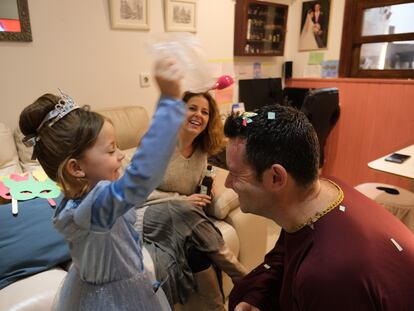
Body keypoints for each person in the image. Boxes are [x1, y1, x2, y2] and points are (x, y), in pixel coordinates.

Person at [18, 58, 186, 311]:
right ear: (76, 168)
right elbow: (139, 179)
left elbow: (133, 174)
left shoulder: (83, 199)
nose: (120, 155)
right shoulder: (94, 208)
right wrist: (170, 103)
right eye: (110, 150)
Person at [224, 105, 414, 311]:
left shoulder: (327, 276)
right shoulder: (326, 191)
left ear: (276, 177)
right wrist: (256, 297)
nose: (227, 183)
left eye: (235, 174)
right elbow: (284, 255)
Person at [136, 91, 247, 310]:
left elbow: (193, 190)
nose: (199, 115)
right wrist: (183, 200)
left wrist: (206, 192)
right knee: (184, 211)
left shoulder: (201, 151)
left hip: (181, 221)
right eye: (192, 108)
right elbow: (138, 192)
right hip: (145, 214)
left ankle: (217, 308)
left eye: (205, 112)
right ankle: (240, 275)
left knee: (197, 251)